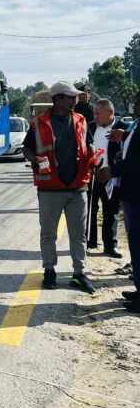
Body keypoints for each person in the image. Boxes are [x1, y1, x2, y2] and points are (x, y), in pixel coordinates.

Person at [23, 81, 96, 293]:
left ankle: (79, 274)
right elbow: (27, 148)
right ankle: (49, 271)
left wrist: (92, 152)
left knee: (78, 234)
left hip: (77, 187)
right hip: (50, 189)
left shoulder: (81, 120)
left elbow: (88, 144)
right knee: (48, 233)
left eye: (75, 97)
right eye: (70, 97)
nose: (75, 100)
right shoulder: (38, 123)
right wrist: (34, 159)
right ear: (58, 99)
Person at [96, 118, 140, 311]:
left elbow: (137, 161)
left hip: (137, 194)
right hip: (132, 194)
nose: (136, 107)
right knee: (136, 246)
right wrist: (126, 136)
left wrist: (112, 171)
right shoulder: (137, 125)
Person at [87, 99, 128, 257]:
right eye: (94, 113)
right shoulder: (90, 127)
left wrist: (112, 169)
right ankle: (89, 242)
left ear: (110, 113)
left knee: (111, 211)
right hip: (91, 176)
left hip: (112, 177)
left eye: (98, 113)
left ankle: (110, 245)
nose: (95, 117)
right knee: (90, 210)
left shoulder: (123, 129)